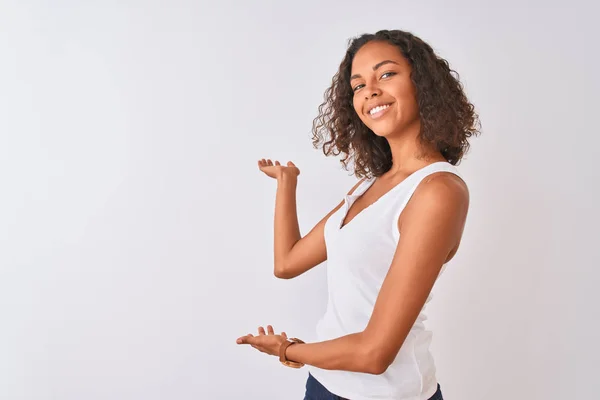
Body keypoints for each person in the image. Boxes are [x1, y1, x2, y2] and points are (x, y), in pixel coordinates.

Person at [236, 29, 480, 400]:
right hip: (326, 383)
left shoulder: (437, 192)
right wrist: (287, 184)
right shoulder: (369, 186)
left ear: (423, 83)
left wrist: (287, 351)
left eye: (386, 74)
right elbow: (287, 263)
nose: (369, 91)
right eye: (358, 85)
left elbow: (374, 353)